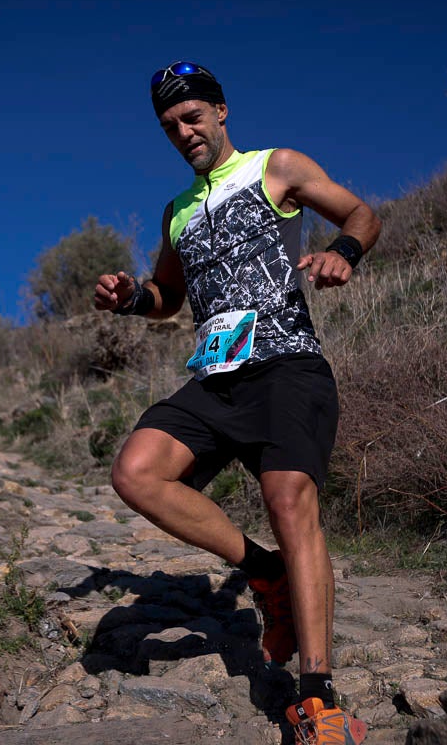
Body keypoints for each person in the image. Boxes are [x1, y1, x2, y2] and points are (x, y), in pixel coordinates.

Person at [93, 61, 381, 745]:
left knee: (289, 503)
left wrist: (344, 252)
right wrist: (130, 297)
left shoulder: (275, 167)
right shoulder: (178, 213)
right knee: (135, 471)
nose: (183, 132)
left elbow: (361, 214)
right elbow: (167, 299)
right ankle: (265, 573)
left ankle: (317, 696)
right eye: (170, 127)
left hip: (287, 366)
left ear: (221, 110)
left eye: (192, 117)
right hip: (217, 378)